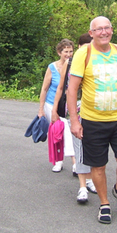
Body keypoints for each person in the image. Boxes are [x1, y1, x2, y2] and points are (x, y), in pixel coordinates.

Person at [67, 16, 117, 224]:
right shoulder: (84, 53)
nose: (103, 32)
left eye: (106, 28)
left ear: (111, 30)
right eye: (98, 29)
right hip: (93, 120)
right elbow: (72, 89)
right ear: (91, 33)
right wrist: (75, 120)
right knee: (98, 167)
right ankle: (104, 203)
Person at [51, 33, 97, 204]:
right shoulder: (69, 64)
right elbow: (61, 88)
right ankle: (83, 186)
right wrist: (55, 110)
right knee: (79, 147)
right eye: (84, 46)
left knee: (92, 146)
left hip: (94, 110)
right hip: (75, 110)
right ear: (79, 47)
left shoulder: (97, 63)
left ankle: (91, 180)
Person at [38, 39, 75, 173]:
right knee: (57, 133)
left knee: (69, 133)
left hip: (67, 105)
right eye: (66, 51)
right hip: (51, 104)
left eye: (71, 51)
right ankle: (58, 161)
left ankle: (75, 163)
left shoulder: (75, 66)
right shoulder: (52, 67)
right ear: (59, 52)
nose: (69, 54)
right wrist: (41, 109)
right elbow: (44, 89)